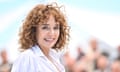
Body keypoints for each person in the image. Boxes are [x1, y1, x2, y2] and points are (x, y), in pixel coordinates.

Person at [11, 2, 69, 72]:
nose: (52, 33)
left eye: (56, 27)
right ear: (34, 30)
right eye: (45, 27)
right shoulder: (27, 57)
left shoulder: (54, 57)